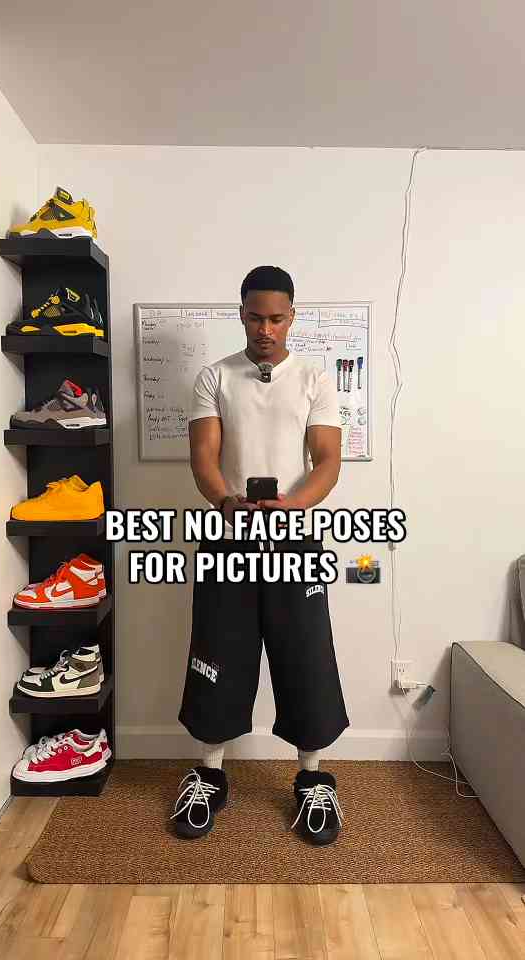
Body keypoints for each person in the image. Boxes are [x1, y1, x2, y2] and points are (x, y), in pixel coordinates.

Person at [170, 265, 350, 846]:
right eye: (254, 318)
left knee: (305, 654)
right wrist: (226, 501)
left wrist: (293, 505)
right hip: (229, 534)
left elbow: (327, 459)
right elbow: (204, 455)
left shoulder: (314, 377)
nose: (265, 329)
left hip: (295, 538)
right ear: (241, 315)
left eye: (276, 318)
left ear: (292, 317)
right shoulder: (215, 376)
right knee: (218, 650)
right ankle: (209, 774)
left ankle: (313, 777)